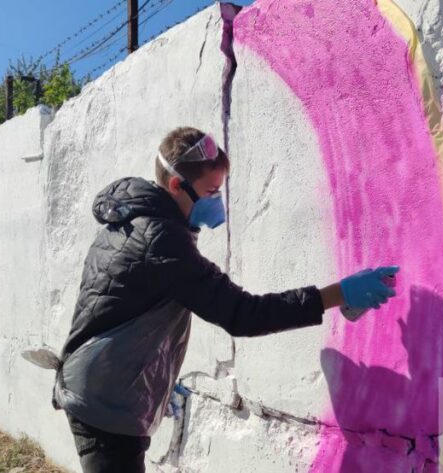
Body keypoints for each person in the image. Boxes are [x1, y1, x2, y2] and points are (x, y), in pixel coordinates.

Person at [53, 127, 398, 473]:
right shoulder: (161, 240)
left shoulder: (133, 221)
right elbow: (242, 314)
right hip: (104, 400)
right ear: (176, 185)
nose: (217, 201)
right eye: (211, 191)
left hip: (103, 386)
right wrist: (338, 293)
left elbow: (113, 310)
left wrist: (151, 377)